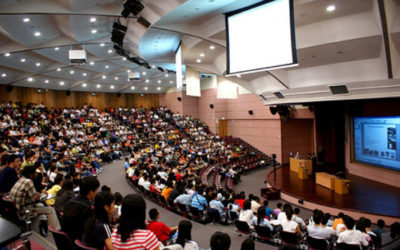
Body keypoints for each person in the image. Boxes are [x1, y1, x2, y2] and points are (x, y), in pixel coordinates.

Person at [9, 165, 61, 230]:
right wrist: (44, 195)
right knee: (51, 210)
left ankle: (38, 227)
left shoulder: (21, 179)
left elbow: (33, 194)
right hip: (24, 209)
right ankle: (56, 230)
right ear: (31, 175)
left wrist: (40, 194)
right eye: (35, 173)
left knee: (41, 205)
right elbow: (35, 198)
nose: (36, 174)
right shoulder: (28, 182)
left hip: (16, 208)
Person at [62, 176, 100, 240]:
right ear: (91, 192)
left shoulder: (70, 201)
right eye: (96, 190)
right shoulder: (89, 207)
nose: (97, 193)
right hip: (80, 241)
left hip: (67, 240)